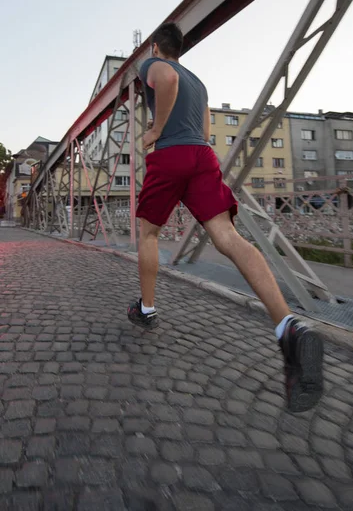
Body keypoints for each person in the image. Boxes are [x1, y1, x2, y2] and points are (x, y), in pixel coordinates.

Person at [127, 22, 323, 413]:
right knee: (228, 237)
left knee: (148, 234)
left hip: (171, 155)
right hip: (202, 155)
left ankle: (146, 310)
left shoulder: (153, 64)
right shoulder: (198, 82)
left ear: (155, 45)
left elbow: (164, 78)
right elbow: (203, 127)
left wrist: (155, 130)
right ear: (182, 47)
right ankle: (288, 326)